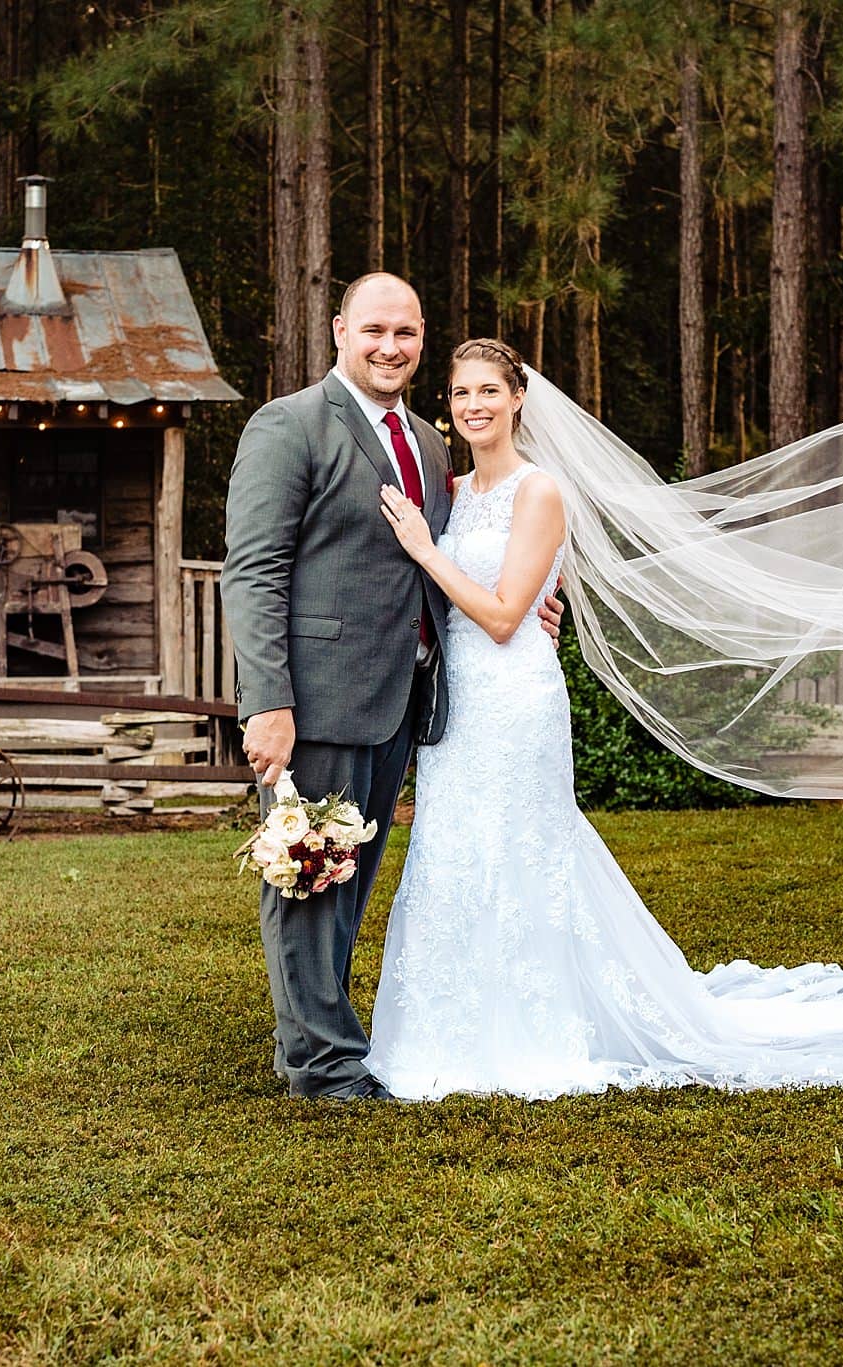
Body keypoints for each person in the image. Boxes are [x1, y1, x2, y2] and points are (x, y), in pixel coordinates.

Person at [363, 339, 843, 1101]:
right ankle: (448, 1030)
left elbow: (508, 614)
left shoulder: (539, 489)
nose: (471, 405)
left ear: (518, 398)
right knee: (456, 850)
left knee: (522, 849)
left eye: (487, 390)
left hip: (514, 700)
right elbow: (519, 590)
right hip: (460, 708)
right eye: (458, 393)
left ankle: (534, 1032)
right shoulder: (452, 490)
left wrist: (424, 548)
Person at [220, 278, 561, 1100]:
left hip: (402, 703)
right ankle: (323, 1064)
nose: (390, 346)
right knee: (308, 876)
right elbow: (254, 569)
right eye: (373, 329)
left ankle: (310, 1036)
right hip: (316, 700)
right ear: (340, 330)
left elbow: (441, 565)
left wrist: (530, 608)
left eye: (405, 332)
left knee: (349, 883)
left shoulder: (428, 443)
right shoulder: (291, 425)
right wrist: (267, 702)